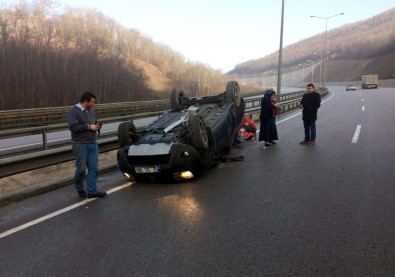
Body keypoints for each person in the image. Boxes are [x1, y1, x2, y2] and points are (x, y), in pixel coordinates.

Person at [67, 92, 107, 198]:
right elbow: (73, 126)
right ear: (86, 101)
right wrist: (89, 127)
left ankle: (92, 191)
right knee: (81, 169)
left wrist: (97, 126)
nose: (93, 104)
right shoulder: (74, 111)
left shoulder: (91, 111)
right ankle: (79, 187)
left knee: (94, 168)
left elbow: (93, 122)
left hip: (93, 143)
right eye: (92, 102)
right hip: (80, 144)